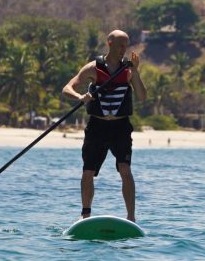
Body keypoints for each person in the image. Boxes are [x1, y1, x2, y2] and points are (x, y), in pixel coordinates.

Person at [62, 30, 146, 222]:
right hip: (97, 127)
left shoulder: (128, 70)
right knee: (88, 171)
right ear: (109, 44)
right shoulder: (93, 68)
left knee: (125, 170)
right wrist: (80, 97)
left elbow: (142, 96)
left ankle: (131, 218)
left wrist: (137, 72)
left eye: (126, 46)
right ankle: (85, 216)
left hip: (121, 127)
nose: (123, 50)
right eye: (120, 46)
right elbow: (67, 88)